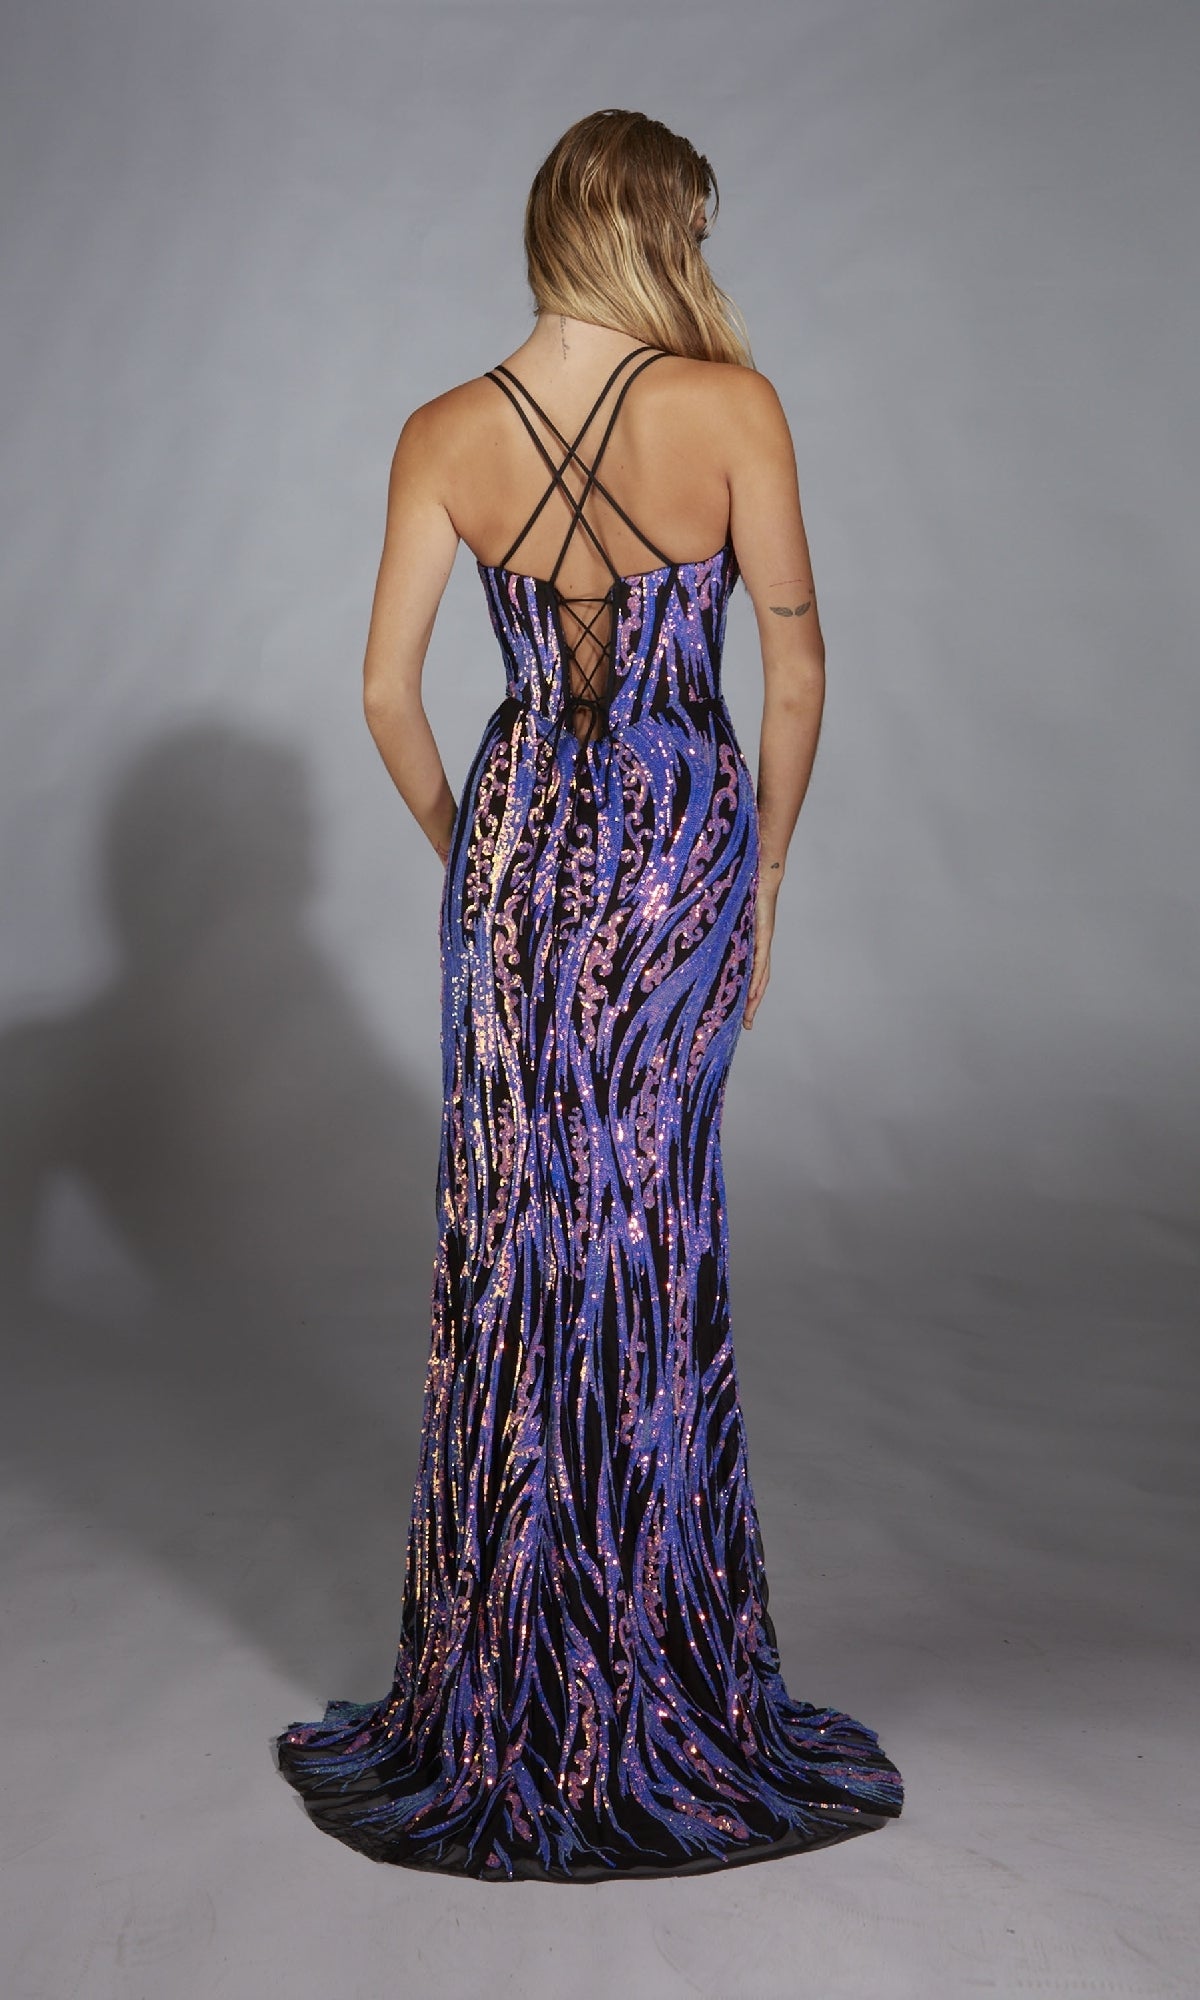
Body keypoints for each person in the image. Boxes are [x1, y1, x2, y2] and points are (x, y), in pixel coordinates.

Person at [272, 107, 903, 1882]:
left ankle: (502, 1686)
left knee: (515, 1237)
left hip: (520, 846)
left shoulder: (443, 431)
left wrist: (469, 852)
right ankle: (654, 1679)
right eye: (696, 230)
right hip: (679, 844)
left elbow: (389, 692)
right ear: (661, 230)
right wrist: (763, 874)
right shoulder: (733, 408)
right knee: (649, 1228)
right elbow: (795, 660)